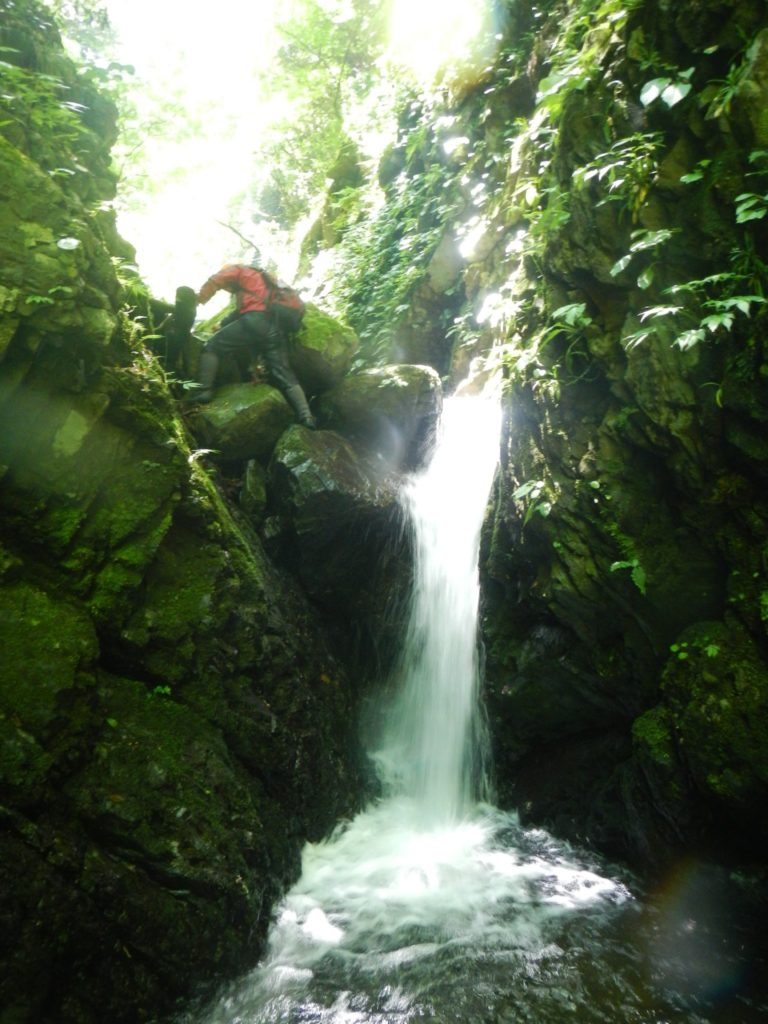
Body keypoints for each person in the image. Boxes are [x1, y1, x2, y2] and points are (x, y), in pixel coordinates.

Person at [189, 256, 315, 428]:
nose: (227, 289)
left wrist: (198, 299)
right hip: (274, 329)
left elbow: (217, 279)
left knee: (212, 347)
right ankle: (306, 416)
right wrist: (222, 323)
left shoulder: (239, 270)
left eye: (227, 287)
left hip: (255, 321)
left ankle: (203, 391)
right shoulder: (261, 281)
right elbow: (243, 311)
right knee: (284, 373)